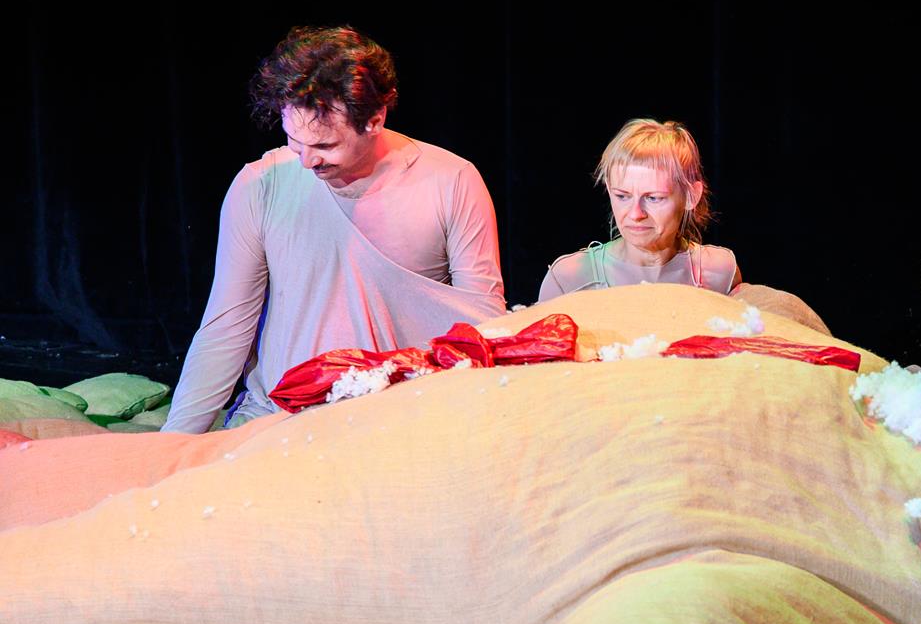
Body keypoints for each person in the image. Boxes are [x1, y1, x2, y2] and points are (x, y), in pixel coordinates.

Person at [162, 27, 506, 433]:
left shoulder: (451, 182)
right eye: (294, 140)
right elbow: (226, 328)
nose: (307, 161)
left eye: (325, 146)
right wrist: (175, 443)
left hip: (405, 422)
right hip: (276, 419)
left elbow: (483, 329)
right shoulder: (261, 184)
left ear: (374, 120)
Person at [536, 119, 740, 300]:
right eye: (622, 196)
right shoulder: (569, 279)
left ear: (691, 196)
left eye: (653, 198)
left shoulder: (719, 272)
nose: (635, 214)